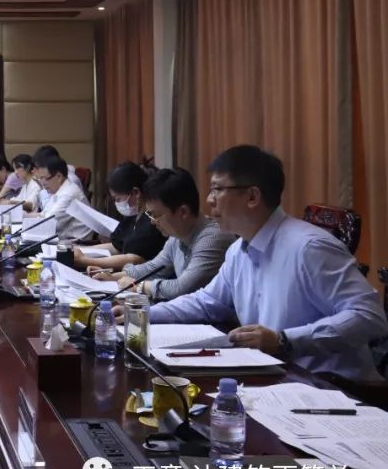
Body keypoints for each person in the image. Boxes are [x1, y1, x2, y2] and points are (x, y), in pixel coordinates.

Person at [117, 145, 388, 381]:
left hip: (332, 388)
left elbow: (369, 316)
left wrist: (285, 340)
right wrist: (142, 313)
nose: (209, 200)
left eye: (217, 189)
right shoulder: (239, 250)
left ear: (252, 197)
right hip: (274, 378)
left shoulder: (308, 247)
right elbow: (206, 302)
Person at [95, 167, 234, 301]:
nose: (153, 222)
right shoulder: (177, 237)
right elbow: (153, 268)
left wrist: (139, 286)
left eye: (155, 215)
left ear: (183, 212)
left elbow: (182, 288)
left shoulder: (213, 238)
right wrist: (114, 276)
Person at [76, 162, 166, 271]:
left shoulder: (152, 221)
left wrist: (84, 260)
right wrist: (81, 251)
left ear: (136, 192)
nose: (116, 203)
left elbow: (135, 260)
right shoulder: (133, 215)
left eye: (118, 199)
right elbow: (117, 246)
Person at [34, 153, 93, 242]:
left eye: (45, 178)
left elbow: (48, 223)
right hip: (64, 240)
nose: (42, 183)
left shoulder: (68, 194)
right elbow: (44, 214)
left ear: (59, 177)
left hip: (78, 244)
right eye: (40, 178)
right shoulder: (59, 190)